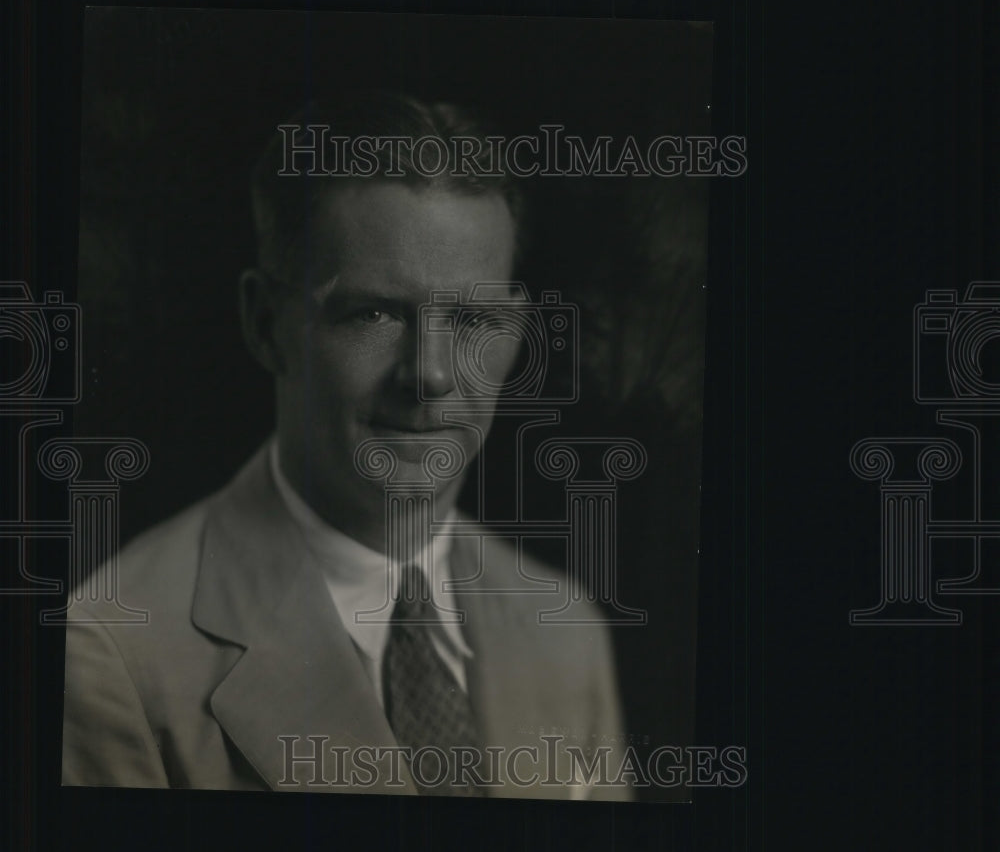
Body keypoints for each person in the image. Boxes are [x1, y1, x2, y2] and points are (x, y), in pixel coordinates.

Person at [61, 93, 631, 799]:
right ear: (266, 324)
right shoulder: (112, 658)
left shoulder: (566, 627)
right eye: (373, 312)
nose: (430, 373)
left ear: (516, 335)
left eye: (473, 317)